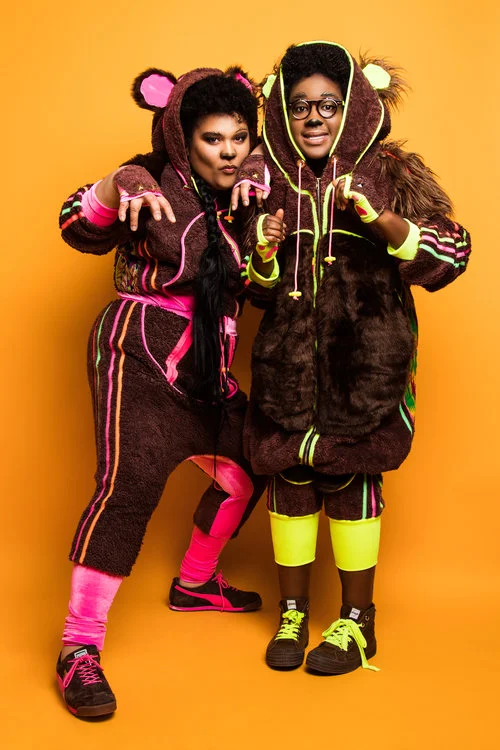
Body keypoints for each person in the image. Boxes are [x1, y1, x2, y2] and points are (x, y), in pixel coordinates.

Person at [232, 41, 471, 674]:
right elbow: (247, 288)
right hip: (285, 370)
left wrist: (383, 220)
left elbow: (452, 255)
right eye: (300, 105)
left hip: (366, 373)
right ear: (281, 111)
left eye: (329, 104)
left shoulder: (390, 172)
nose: (313, 117)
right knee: (290, 479)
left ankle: (359, 622)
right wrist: (262, 255)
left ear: (354, 107)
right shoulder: (263, 182)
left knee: (352, 480)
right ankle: (292, 613)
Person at [56, 65, 266, 717]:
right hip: (140, 355)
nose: (228, 152)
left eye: (239, 138)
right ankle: (78, 649)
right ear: (182, 138)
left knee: (249, 468)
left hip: (207, 368)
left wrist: (267, 224)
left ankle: (196, 584)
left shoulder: (247, 199)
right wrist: (113, 187)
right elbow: (76, 225)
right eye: (213, 139)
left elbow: (261, 285)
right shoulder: (148, 185)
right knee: (128, 491)